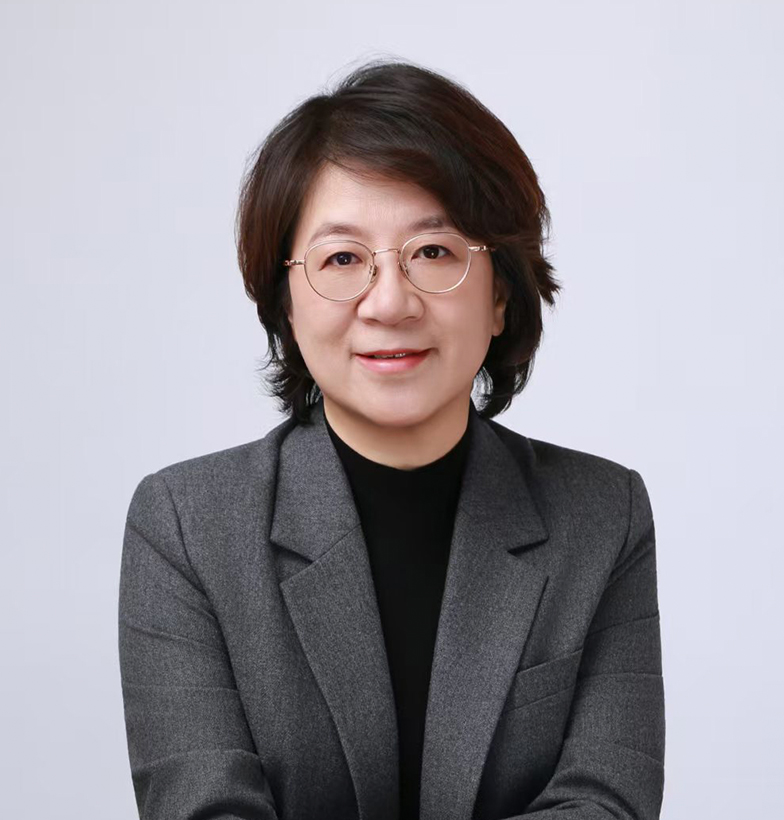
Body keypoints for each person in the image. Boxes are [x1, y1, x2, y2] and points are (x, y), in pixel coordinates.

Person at [118, 58, 665, 820]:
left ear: (501, 295)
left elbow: (605, 804)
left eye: (434, 253)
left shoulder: (603, 517)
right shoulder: (186, 527)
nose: (390, 302)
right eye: (342, 259)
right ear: (286, 305)